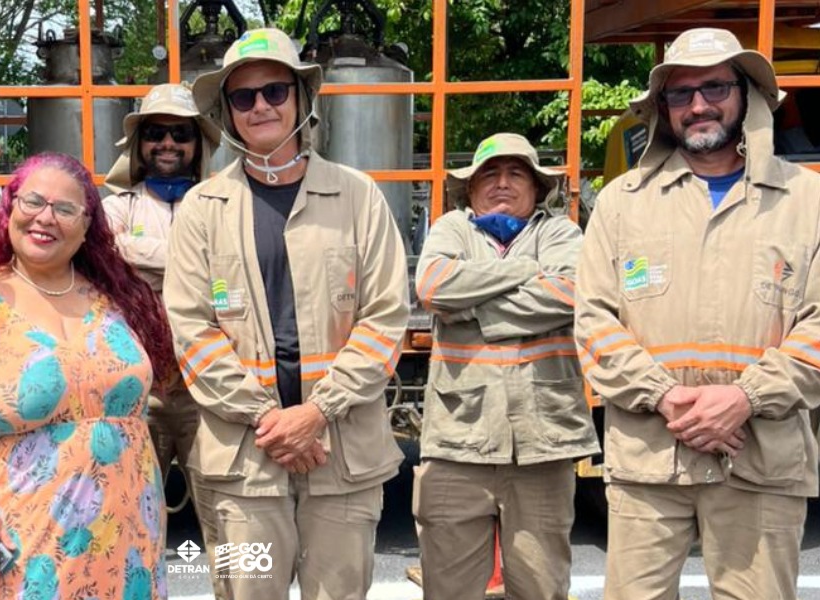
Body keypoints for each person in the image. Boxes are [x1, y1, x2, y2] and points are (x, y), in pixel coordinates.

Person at [164, 27, 409, 599]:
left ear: (301, 98)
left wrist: (317, 413)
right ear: (227, 112)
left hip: (341, 457)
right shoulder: (201, 209)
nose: (261, 107)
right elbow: (192, 331)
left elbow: (384, 319)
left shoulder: (358, 197)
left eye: (274, 91)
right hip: (245, 465)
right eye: (243, 97)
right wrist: (271, 422)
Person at [575, 27, 820, 598]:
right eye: (680, 94)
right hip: (650, 459)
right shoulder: (622, 203)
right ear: (663, 108)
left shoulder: (806, 202)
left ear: (746, 94)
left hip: (760, 459)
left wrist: (745, 398)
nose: (699, 105)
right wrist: (664, 396)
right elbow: (594, 322)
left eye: (714, 88)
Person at [0, 152, 174, 599]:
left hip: (129, 540)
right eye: (33, 202)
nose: (46, 217)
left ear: (87, 225)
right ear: (9, 210)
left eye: (65, 209)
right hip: (24, 543)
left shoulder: (121, 300)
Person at [413, 132, 599, 599]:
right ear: (470, 188)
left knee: (541, 588)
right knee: (448, 590)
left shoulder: (559, 232)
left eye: (516, 173)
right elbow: (434, 287)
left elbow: (572, 291)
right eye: (489, 174)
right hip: (459, 442)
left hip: (543, 443)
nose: (502, 183)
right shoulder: (452, 228)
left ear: (536, 187)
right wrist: (527, 271)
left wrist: (473, 308)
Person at [101, 82, 226, 595]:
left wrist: (141, 259)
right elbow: (106, 258)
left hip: (208, 394)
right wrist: (193, 263)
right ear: (139, 144)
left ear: (199, 144)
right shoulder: (116, 208)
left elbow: (232, 275)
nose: (168, 144)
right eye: (156, 133)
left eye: (180, 134)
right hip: (137, 396)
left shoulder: (222, 206)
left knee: (226, 523)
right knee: (126, 520)